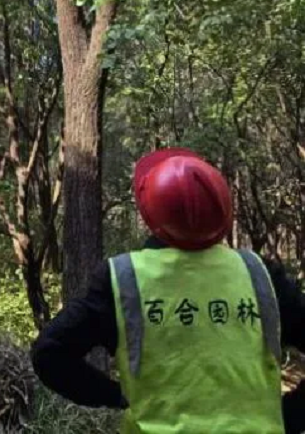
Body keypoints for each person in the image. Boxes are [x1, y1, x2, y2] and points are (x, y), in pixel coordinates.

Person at [32, 148, 305, 433]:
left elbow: (50, 353)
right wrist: (290, 415)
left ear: (151, 215)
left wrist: (115, 396)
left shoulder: (124, 280)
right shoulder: (259, 274)